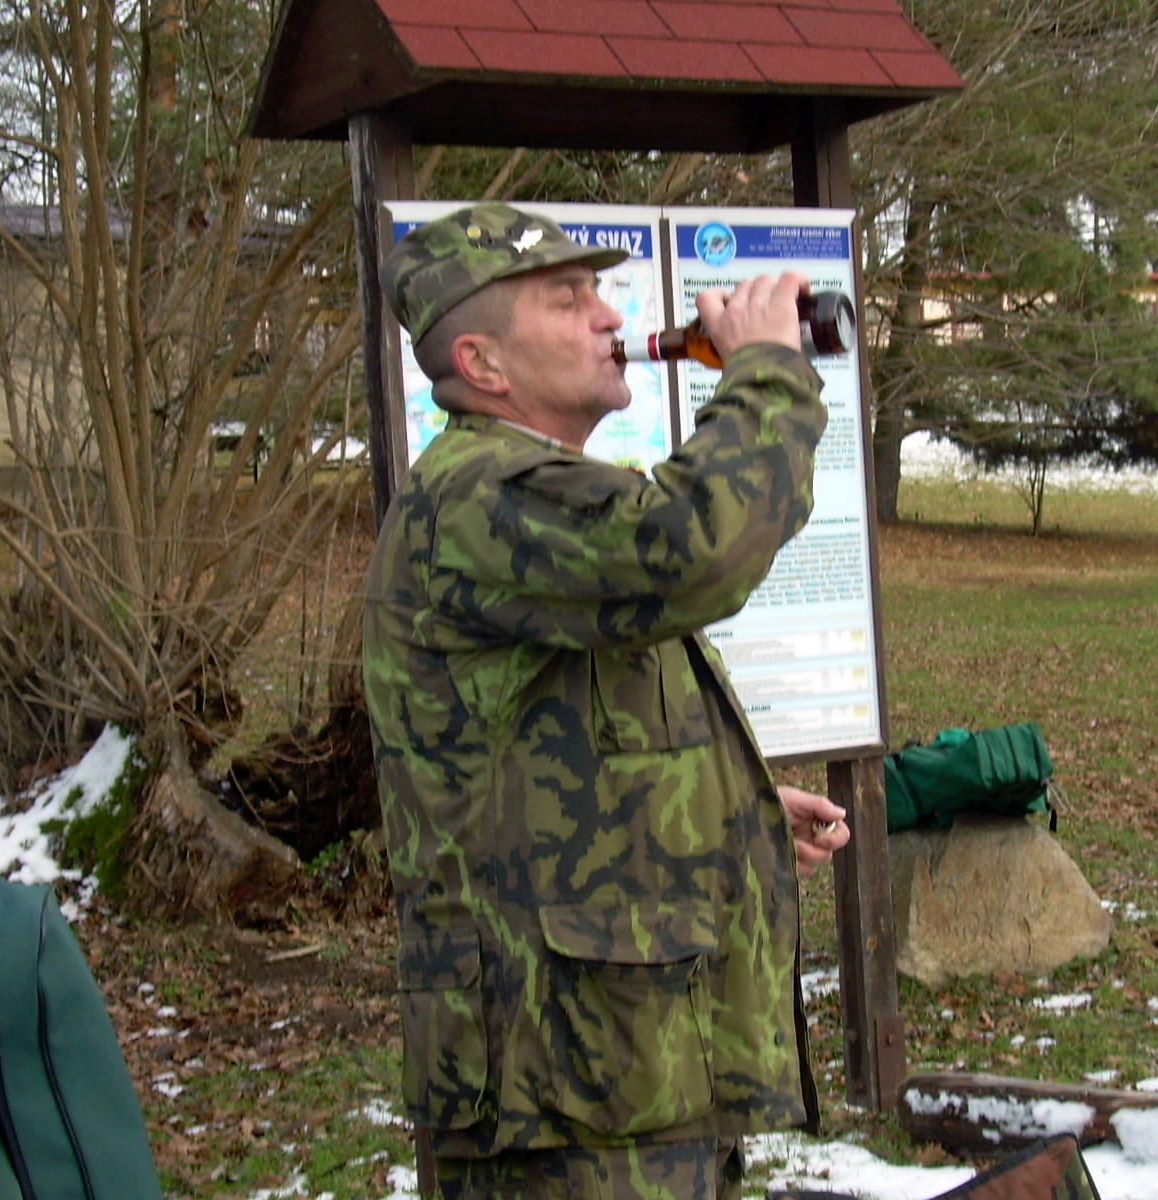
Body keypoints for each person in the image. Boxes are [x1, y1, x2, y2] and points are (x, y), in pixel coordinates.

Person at [363, 202, 851, 1200]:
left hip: (624, 1071)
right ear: (483, 363)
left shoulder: (539, 491)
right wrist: (765, 371)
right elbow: (694, 548)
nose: (608, 315)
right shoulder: (478, 497)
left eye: (598, 291)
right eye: (565, 298)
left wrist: (736, 810)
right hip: (558, 1094)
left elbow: (574, 736)